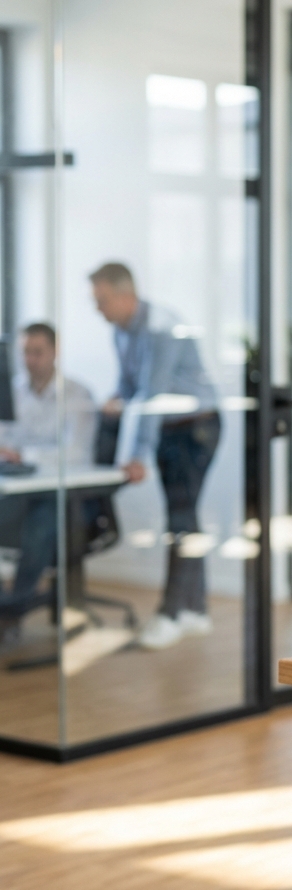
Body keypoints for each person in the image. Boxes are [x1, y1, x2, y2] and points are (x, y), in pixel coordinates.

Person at [89, 262, 220, 651]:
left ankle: (172, 613)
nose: (97, 309)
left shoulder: (161, 327)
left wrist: (137, 455)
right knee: (185, 517)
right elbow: (130, 387)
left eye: (101, 300)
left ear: (125, 295)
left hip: (196, 428)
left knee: (180, 519)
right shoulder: (121, 332)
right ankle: (195, 610)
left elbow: (152, 395)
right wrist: (114, 400)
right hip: (170, 428)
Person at [0, 323, 95, 636]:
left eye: (37, 352)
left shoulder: (77, 394)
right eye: (26, 352)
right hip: (17, 489)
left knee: (41, 522)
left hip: (61, 495)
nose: (30, 360)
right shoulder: (12, 391)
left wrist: (24, 455)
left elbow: (77, 453)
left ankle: (12, 610)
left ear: (55, 352)